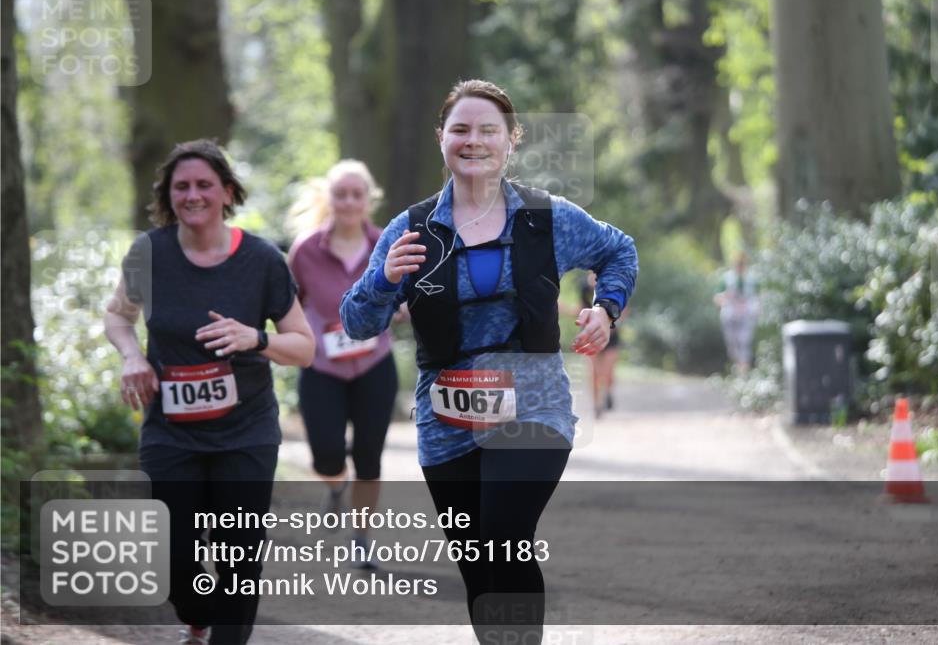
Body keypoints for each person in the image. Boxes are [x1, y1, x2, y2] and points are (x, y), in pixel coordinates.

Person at [340, 79, 638, 644]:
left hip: (534, 406)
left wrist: (607, 308)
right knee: (479, 565)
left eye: (487, 130)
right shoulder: (411, 229)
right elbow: (356, 323)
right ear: (442, 139)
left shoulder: (548, 217)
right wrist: (382, 280)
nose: (472, 140)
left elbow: (618, 249)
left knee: (505, 535)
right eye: (460, 130)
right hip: (446, 420)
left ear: (510, 140)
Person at [104, 139, 314, 645]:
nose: (192, 195)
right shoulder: (149, 253)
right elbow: (117, 315)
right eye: (181, 186)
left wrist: (256, 338)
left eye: (204, 184)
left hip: (246, 431)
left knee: (238, 552)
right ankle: (197, 614)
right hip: (171, 432)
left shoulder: (262, 260)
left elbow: (304, 347)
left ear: (227, 192)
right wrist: (132, 356)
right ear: (168, 195)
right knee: (173, 554)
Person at [286, 161, 399, 566]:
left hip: (375, 364)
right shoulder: (305, 250)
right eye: (341, 194)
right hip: (321, 366)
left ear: (369, 200)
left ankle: (361, 538)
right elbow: (289, 306)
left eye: (357, 194)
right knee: (327, 455)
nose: (349, 202)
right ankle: (335, 485)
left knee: (369, 456)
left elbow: (407, 296)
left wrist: (399, 310)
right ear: (329, 199)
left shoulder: (386, 243)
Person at [579, 270, 623, 418]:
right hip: (591, 334)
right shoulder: (584, 290)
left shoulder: (613, 287)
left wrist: (611, 324)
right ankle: (596, 404)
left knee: (607, 372)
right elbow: (580, 309)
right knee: (593, 372)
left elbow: (624, 308)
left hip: (611, 335)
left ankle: (608, 392)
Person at [714, 251, 758, 374]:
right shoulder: (727, 278)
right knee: (732, 345)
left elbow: (757, 298)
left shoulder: (752, 279)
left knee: (744, 342)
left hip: (746, 316)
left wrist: (755, 308)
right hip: (730, 316)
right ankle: (738, 367)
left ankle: (743, 372)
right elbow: (717, 298)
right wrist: (726, 296)